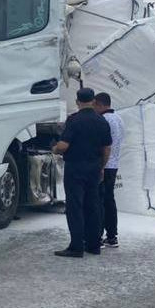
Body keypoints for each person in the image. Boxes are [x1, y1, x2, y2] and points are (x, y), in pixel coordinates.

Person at [52, 87, 113, 257]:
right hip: (94, 168)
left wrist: (55, 149)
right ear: (93, 101)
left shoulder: (74, 120)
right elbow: (107, 148)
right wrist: (102, 167)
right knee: (93, 205)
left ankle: (76, 246)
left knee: (75, 206)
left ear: (77, 102)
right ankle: (93, 245)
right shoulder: (102, 121)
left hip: (75, 168)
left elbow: (64, 146)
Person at [93, 92, 124, 248]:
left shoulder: (103, 120)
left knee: (99, 201)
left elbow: (102, 145)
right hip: (114, 164)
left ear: (99, 104)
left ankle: (97, 237)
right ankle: (112, 236)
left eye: (94, 105)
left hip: (104, 165)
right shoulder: (118, 118)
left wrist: (100, 166)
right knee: (109, 200)